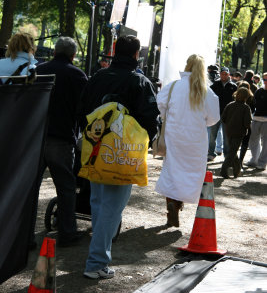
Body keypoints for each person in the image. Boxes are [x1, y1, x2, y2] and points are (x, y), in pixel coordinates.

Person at [79, 35, 159, 280]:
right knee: (112, 209)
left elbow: (82, 110)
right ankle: (96, 263)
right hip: (121, 154)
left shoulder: (98, 77)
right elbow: (150, 119)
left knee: (98, 204)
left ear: (115, 50)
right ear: (136, 54)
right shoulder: (140, 82)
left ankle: (97, 258)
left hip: (94, 150)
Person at [34, 37, 88, 247]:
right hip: (62, 138)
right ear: (73, 55)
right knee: (65, 188)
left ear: (54, 51)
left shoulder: (39, 70)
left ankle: (25, 235)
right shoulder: (77, 76)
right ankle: (67, 232)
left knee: (31, 189)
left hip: (35, 139)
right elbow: (83, 109)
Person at [155, 54, 219, 227]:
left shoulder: (174, 86)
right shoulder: (207, 91)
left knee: (172, 169)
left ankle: (172, 204)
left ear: (187, 65)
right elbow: (213, 118)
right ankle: (179, 202)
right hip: (196, 140)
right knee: (190, 174)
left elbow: (160, 106)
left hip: (174, 136)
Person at [220, 87, 252, 179]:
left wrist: (229, 124)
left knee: (233, 151)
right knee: (232, 152)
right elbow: (247, 123)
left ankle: (237, 171)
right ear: (246, 97)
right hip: (239, 133)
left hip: (229, 131)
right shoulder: (246, 108)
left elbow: (223, 118)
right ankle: (223, 170)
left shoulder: (230, 105)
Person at [207, 66, 237, 161]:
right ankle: (211, 153)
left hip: (227, 115)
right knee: (212, 135)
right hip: (215, 113)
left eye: (225, 74)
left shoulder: (233, 86)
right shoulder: (215, 85)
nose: (224, 75)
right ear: (220, 74)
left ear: (228, 75)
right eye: (222, 73)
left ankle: (226, 155)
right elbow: (209, 95)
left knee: (226, 137)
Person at [246, 72, 267, 171]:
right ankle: (254, 159)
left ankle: (262, 163)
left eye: (266, 80)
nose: (265, 82)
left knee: (265, 143)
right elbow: (253, 104)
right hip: (256, 119)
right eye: (264, 80)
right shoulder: (259, 91)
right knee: (253, 141)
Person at [236, 81, 255, 167]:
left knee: (235, 143)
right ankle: (240, 161)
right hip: (246, 124)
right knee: (244, 143)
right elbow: (253, 109)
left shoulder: (234, 98)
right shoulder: (251, 98)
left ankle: (235, 161)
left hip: (236, 123)